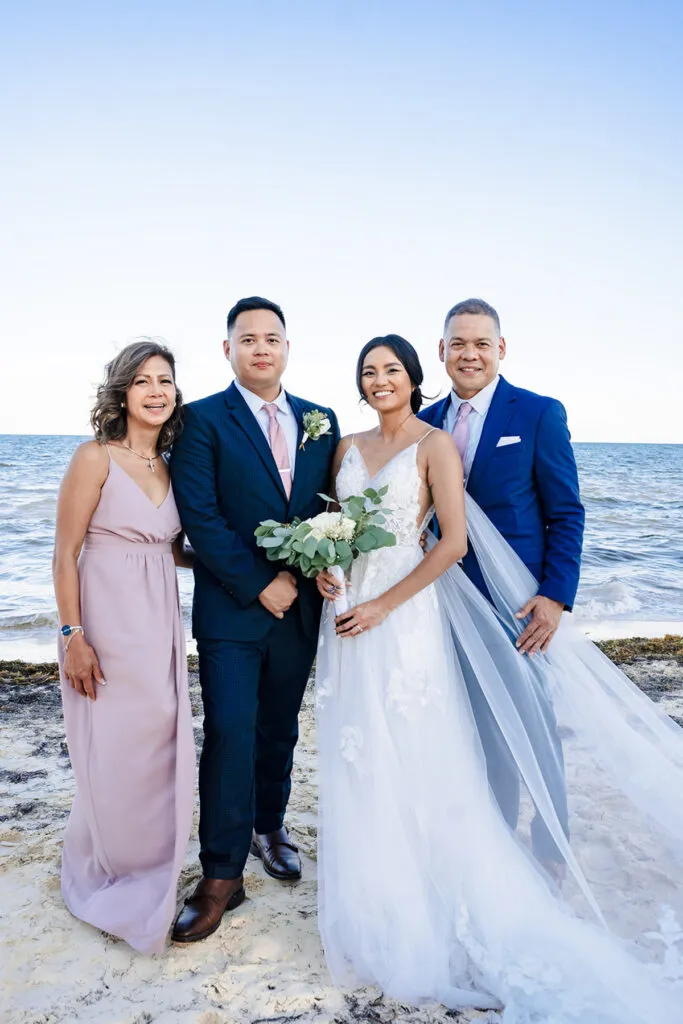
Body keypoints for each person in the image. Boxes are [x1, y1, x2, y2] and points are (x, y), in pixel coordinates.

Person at [314, 335, 683, 1021]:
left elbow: (536, 517)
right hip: (352, 620)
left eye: (390, 369)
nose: (378, 379)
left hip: (454, 607)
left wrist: (553, 593)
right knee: (366, 747)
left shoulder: (496, 425)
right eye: (367, 371)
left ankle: (539, 859)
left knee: (511, 733)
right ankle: (375, 889)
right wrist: (323, 566)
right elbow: (334, 525)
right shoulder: (343, 448)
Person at [170, 296, 340, 943]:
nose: (260, 348)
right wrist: (257, 583)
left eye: (272, 338)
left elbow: (332, 506)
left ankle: (270, 826)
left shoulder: (319, 420)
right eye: (248, 339)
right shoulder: (201, 420)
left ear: (288, 348)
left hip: (301, 610)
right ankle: (220, 876)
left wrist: (326, 567)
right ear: (228, 350)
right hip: (231, 612)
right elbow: (201, 517)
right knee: (231, 733)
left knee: (278, 730)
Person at [419, 298, 583, 870]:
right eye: (458, 344)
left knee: (534, 730)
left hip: (518, 607)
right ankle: (495, 850)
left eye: (481, 343)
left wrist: (555, 596)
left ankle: (551, 853)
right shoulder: (425, 423)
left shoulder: (538, 414)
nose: (469, 354)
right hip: (442, 603)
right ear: (441, 351)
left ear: (501, 349)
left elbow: (566, 512)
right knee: (477, 729)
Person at [52, 339, 195, 955]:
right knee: (112, 748)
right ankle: (115, 869)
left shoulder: (171, 465)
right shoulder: (95, 458)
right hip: (105, 622)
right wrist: (71, 636)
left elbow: (173, 550)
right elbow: (65, 552)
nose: (157, 391)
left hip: (159, 621)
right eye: (143, 381)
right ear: (122, 392)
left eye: (165, 380)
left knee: (159, 738)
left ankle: (152, 863)